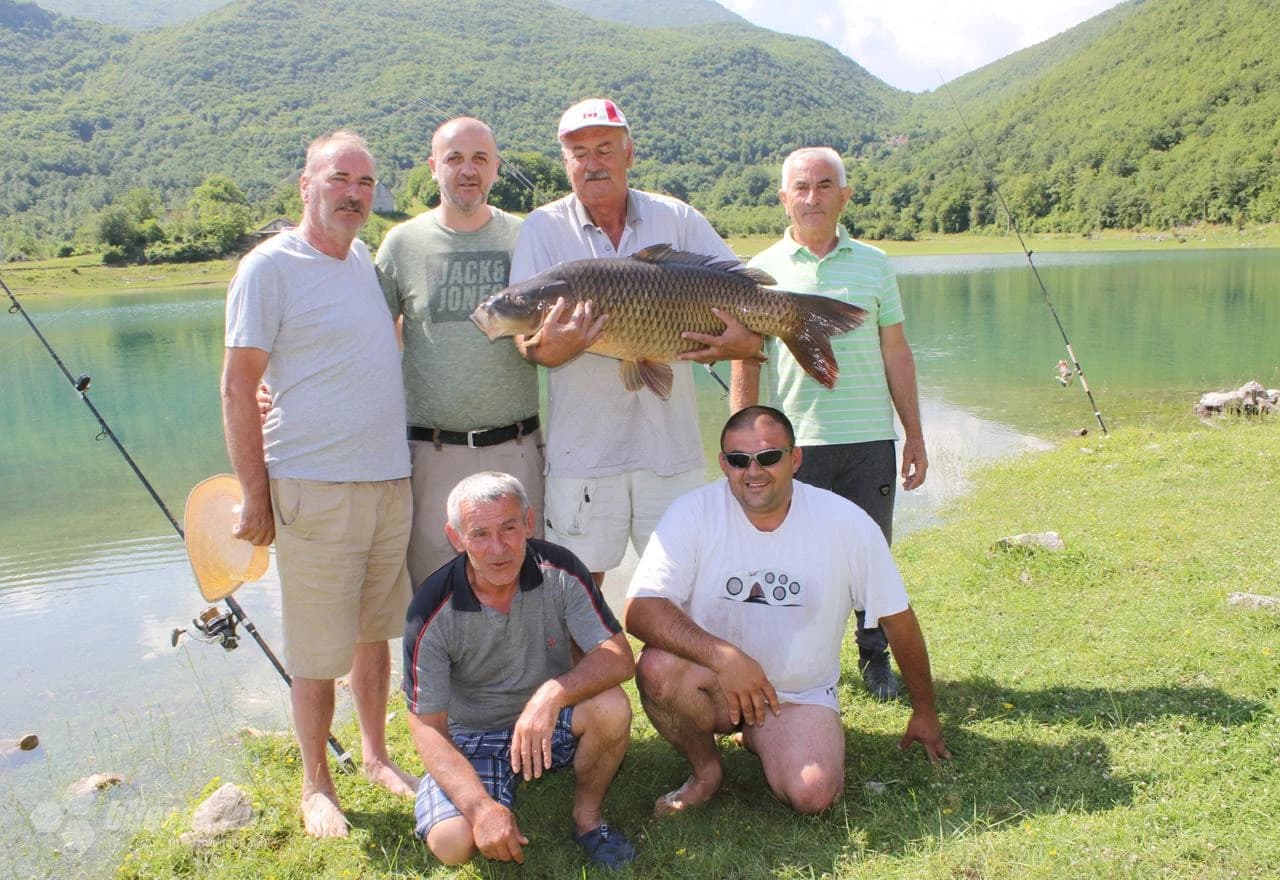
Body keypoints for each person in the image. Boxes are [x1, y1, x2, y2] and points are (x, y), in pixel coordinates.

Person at [221, 130, 418, 837]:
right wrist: (253, 493)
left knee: (374, 634)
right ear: (305, 184)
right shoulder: (269, 267)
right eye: (340, 178)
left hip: (387, 482)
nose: (355, 193)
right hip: (312, 485)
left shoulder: (363, 259)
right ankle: (315, 784)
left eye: (366, 183)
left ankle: (375, 755)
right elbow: (239, 387)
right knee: (314, 649)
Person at [624, 406, 949, 816]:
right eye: (739, 460)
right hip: (716, 683)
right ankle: (706, 772)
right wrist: (726, 659)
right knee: (656, 668)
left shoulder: (846, 522)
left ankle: (761, 733)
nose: (753, 471)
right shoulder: (692, 513)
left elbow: (897, 620)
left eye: (769, 457)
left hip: (797, 695)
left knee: (813, 795)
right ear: (724, 464)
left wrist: (924, 710)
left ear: (795, 459)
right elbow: (639, 610)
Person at [510, 97, 763, 585]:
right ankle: (597, 665)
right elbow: (528, 340)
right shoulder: (543, 227)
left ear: (630, 154)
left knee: (681, 586)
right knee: (578, 591)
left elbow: (746, 302)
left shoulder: (678, 218)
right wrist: (546, 350)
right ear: (566, 163)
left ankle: (666, 666)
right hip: (581, 454)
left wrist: (741, 343)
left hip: (670, 452)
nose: (592, 162)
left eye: (605, 148)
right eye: (578, 152)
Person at [730, 146, 927, 701]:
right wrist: (742, 444)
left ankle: (873, 657)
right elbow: (746, 360)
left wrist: (913, 433)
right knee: (792, 556)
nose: (812, 197)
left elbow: (897, 352)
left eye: (823, 186)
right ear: (783, 198)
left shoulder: (875, 263)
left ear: (844, 195)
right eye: (801, 187)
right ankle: (794, 659)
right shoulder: (759, 272)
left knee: (870, 554)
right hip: (794, 445)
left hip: (868, 438)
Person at [403, 472, 636, 869]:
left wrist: (553, 694)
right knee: (452, 844)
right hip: (475, 735)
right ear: (456, 538)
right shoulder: (430, 607)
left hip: (551, 720)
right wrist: (479, 809)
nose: (498, 548)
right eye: (479, 534)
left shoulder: (560, 570)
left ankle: (588, 820)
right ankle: (480, 794)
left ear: (529, 523)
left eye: (509, 528)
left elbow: (618, 656)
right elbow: (426, 725)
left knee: (611, 707)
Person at [375, 117, 544, 588]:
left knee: (523, 590)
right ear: (433, 167)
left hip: (517, 448)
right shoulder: (401, 243)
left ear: (495, 169)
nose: (466, 170)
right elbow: (369, 335)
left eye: (479, 159)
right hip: (431, 453)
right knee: (434, 592)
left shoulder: (528, 236)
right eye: (454, 158)